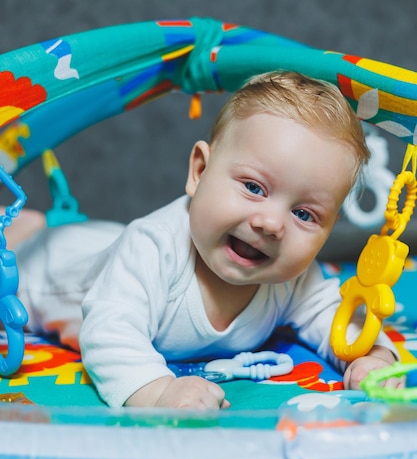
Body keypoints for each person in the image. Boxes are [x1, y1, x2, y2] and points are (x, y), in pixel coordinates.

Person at [11, 71, 400, 410]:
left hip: (109, 242)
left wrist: (373, 356)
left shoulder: (293, 276)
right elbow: (110, 329)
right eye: (253, 187)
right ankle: (27, 229)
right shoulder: (152, 247)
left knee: (97, 238)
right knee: (30, 248)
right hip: (52, 276)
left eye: (304, 214)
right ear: (199, 171)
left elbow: (337, 317)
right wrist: (159, 391)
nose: (270, 224)